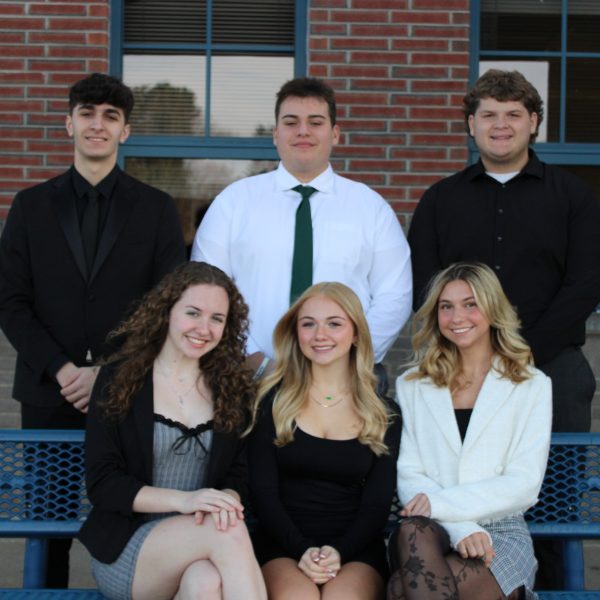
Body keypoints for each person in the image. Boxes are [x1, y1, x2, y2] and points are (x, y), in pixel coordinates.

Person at [407, 69, 600, 588]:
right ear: (471, 124)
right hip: (456, 367)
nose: (500, 125)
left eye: (513, 114)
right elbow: (427, 284)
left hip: (551, 363)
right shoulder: (440, 200)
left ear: (533, 122)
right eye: (488, 114)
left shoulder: (572, 198)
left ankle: (557, 589)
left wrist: (516, 353)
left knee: (556, 499)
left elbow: (587, 282)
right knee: (451, 477)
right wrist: (472, 350)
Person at [0, 72, 186, 586]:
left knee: (129, 512)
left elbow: (166, 304)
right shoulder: (30, 205)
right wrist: (63, 370)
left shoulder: (156, 209)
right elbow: (10, 303)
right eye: (87, 114)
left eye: (110, 117)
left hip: (128, 389)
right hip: (46, 388)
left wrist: (106, 371)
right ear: (69, 124)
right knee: (48, 519)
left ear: (125, 131)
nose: (97, 125)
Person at [191, 76, 412, 385]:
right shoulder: (232, 203)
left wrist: (348, 361)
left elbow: (394, 295)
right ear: (275, 134)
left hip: (347, 383)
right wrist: (253, 362)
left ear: (335, 134)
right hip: (246, 379)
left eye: (316, 122)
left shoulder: (371, 208)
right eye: (291, 122)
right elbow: (207, 290)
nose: (303, 131)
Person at [78, 261, 267, 600]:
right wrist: (187, 501)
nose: (204, 328)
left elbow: (237, 476)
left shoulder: (231, 388)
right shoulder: (120, 379)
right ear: (167, 312)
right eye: (193, 313)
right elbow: (104, 484)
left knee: (205, 583)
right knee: (227, 532)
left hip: (202, 541)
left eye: (217, 319)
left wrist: (226, 502)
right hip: (130, 548)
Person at [389, 262, 552, 600]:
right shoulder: (413, 384)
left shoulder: (531, 385)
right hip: (433, 528)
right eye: (446, 307)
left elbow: (524, 483)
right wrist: (461, 526)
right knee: (412, 531)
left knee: (400, 590)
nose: (456, 317)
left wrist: (444, 506)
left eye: (470, 304)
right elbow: (409, 473)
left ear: (492, 309)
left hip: (501, 530)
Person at [247, 282, 401, 600]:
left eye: (334, 323)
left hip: (355, 548)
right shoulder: (271, 402)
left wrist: (339, 551)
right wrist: (302, 549)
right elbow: (264, 494)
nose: (320, 334)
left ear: (356, 333)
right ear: (296, 333)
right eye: (308, 324)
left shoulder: (384, 413)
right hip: (282, 544)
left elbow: (376, 504)